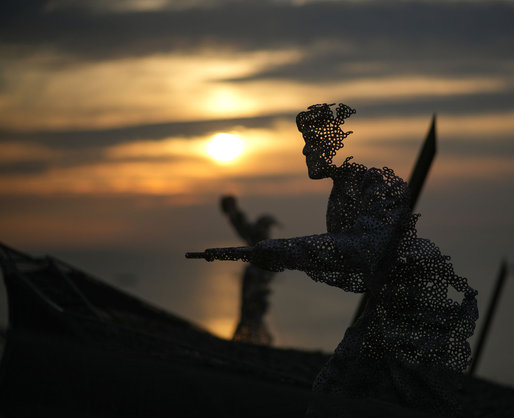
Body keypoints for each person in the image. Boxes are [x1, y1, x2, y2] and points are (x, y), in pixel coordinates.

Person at [191, 103, 477, 415]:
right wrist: (266, 251)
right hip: (385, 307)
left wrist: (279, 251)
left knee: (410, 393)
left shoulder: (377, 185)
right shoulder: (343, 194)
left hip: (412, 308)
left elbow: (359, 249)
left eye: (311, 142)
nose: (304, 152)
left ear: (335, 146)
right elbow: (348, 260)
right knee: (336, 386)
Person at [220, 195, 278, 345]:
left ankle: (252, 340)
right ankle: (250, 340)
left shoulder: (263, 245)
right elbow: (242, 226)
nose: (268, 232)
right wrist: (234, 212)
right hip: (254, 282)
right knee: (250, 313)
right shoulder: (257, 239)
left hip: (258, 283)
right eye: (267, 228)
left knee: (253, 313)